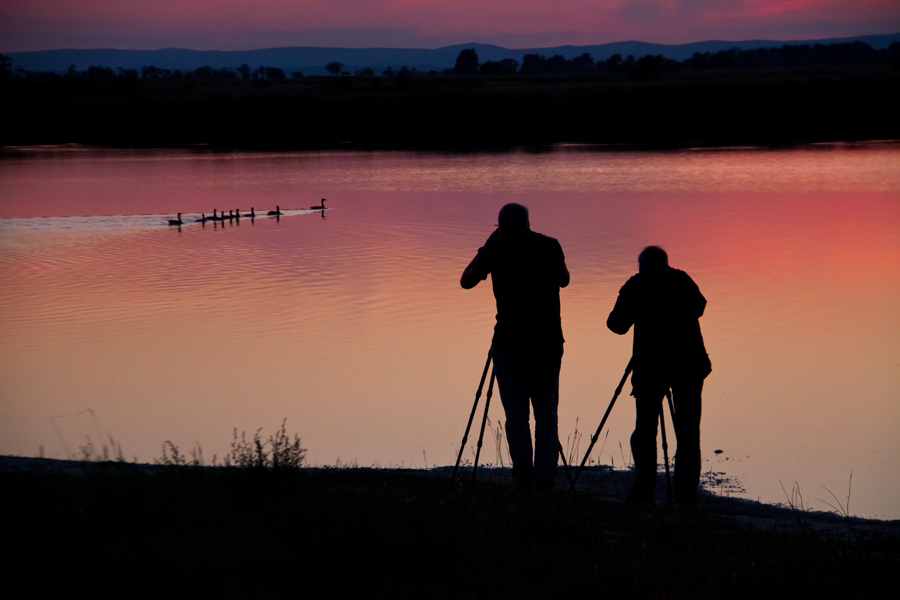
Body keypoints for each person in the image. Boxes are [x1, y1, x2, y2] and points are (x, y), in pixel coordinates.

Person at [461, 203, 570, 492]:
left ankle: (523, 478)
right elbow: (565, 280)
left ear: (501, 226)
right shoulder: (550, 245)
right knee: (546, 413)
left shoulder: (497, 249)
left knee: (517, 416)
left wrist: (486, 246)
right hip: (548, 341)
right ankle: (545, 480)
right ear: (528, 222)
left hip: (510, 342)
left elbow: (467, 280)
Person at [607, 246, 711, 505]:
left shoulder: (636, 284)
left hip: (650, 366)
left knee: (644, 430)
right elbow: (699, 307)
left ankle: (644, 492)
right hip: (688, 364)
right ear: (666, 262)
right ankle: (685, 495)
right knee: (688, 432)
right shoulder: (682, 279)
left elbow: (616, 325)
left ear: (642, 265)